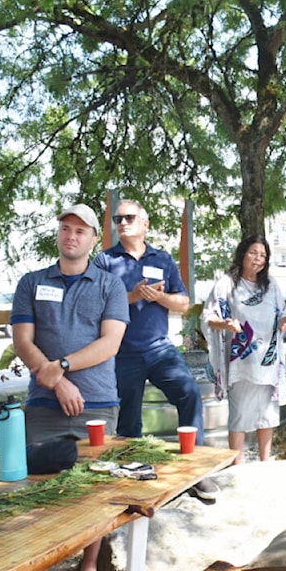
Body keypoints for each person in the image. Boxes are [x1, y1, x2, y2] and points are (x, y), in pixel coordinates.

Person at [11, 204, 129, 571]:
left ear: (94, 238)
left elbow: (110, 343)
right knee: (39, 488)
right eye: (66, 229)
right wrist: (57, 381)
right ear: (58, 234)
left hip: (97, 401)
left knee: (94, 490)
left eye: (81, 230)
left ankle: (88, 568)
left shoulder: (110, 285)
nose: (72, 236)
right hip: (43, 401)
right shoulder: (31, 282)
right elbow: (23, 341)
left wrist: (62, 366)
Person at [93, 199, 218, 500]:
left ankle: (193, 472)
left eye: (129, 217)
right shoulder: (104, 261)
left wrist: (158, 298)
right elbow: (95, 305)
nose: (122, 223)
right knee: (128, 421)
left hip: (160, 349)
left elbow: (184, 303)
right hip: (122, 352)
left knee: (189, 393)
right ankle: (132, 484)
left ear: (145, 224)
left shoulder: (162, 259)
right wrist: (133, 295)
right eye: (118, 218)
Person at [201, 235, 286, 464]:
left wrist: (284, 322)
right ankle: (237, 467)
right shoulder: (227, 284)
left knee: (267, 415)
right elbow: (208, 316)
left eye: (263, 255)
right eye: (253, 253)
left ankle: (264, 461)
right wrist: (225, 324)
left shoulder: (270, 286)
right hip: (240, 360)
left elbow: (282, 311)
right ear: (242, 254)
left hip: (267, 361)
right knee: (240, 414)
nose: (258, 259)